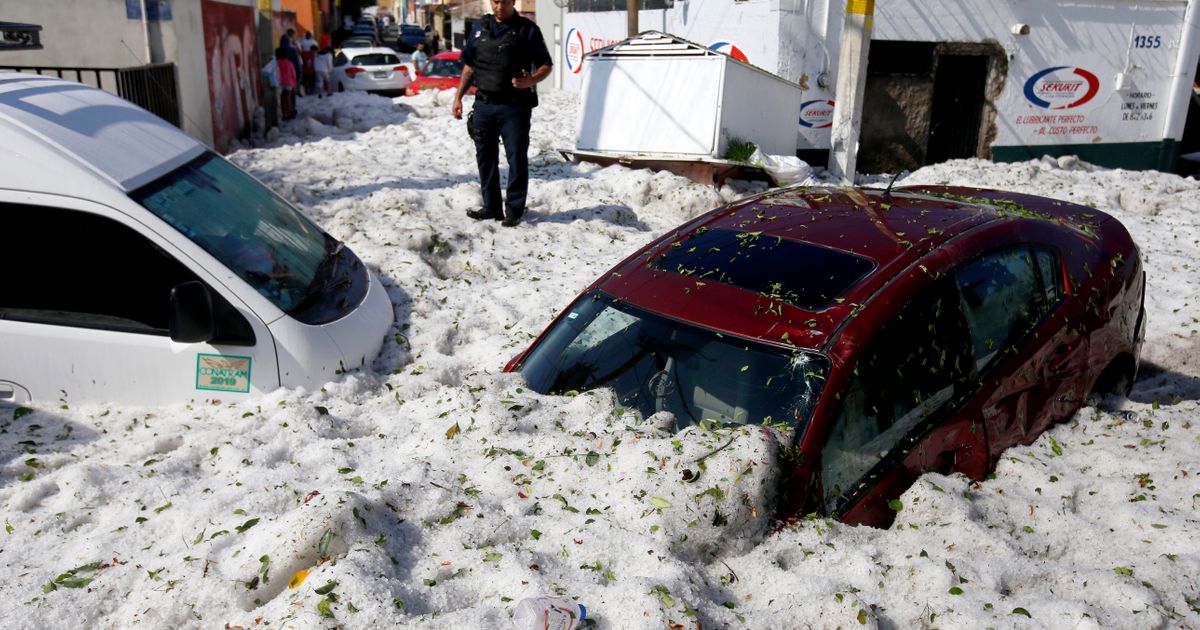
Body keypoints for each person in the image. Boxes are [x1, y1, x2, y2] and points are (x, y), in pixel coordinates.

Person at [451, 0, 552, 227]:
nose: (499, 6)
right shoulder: (480, 27)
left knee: (516, 158)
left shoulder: (527, 29)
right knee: (485, 158)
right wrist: (458, 97)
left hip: (514, 107)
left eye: (504, 1)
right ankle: (491, 206)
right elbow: (469, 67)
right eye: (495, 1)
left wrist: (530, 80)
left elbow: (546, 65)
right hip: (484, 105)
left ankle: (514, 210)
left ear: (513, 2)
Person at [275, 47, 297, 120]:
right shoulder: (289, 63)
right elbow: (293, 74)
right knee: (288, 98)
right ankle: (290, 112)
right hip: (288, 82)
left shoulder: (276, 63)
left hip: (280, 83)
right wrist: (294, 83)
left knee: (282, 99)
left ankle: (284, 113)